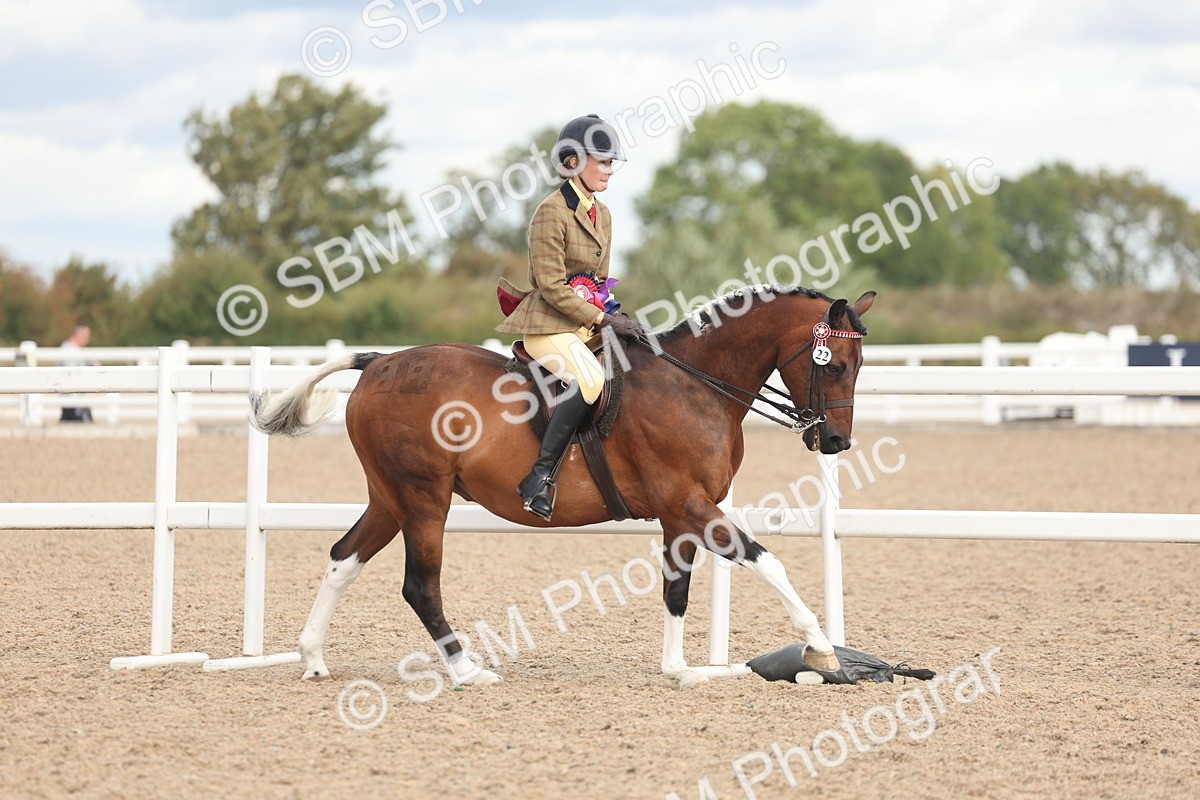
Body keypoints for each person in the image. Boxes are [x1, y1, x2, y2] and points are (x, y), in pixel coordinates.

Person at [496, 114, 644, 520]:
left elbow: (597, 282)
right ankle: (539, 477)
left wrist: (612, 314)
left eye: (614, 163)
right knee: (591, 378)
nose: (610, 172)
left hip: (582, 324)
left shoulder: (605, 214)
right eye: (603, 162)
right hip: (546, 325)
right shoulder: (551, 211)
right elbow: (551, 285)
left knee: (635, 364)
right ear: (574, 161)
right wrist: (602, 321)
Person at [59, 324, 94, 423]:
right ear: (79, 335)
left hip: (75, 398)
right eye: (86, 336)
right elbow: (70, 376)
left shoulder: (73, 349)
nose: (88, 340)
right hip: (75, 399)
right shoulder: (68, 350)